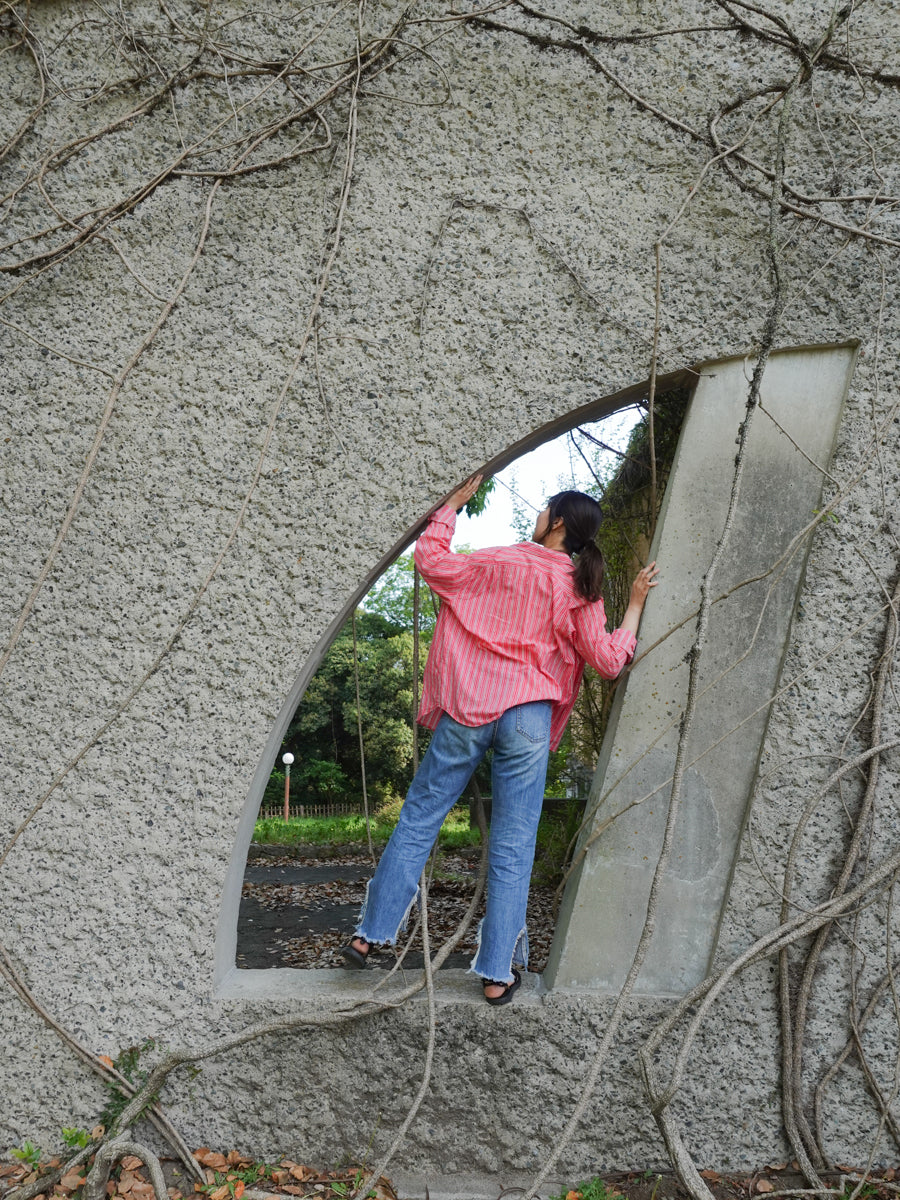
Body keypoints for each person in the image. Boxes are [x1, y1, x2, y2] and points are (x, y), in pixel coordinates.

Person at [341, 474, 658, 1004]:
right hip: (528, 720)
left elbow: (432, 562)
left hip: (470, 707)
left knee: (420, 818)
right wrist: (634, 607)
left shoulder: (499, 560)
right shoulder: (580, 588)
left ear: (557, 521)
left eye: (544, 510)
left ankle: (367, 938)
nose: (537, 516)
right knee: (515, 843)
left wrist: (453, 506)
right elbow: (606, 662)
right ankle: (496, 974)